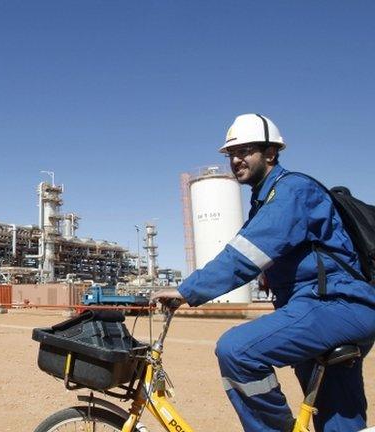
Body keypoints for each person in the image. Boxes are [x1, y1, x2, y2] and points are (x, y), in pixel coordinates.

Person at [151, 113, 375, 432]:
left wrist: (187, 291)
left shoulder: (293, 190)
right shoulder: (266, 200)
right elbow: (241, 251)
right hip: (325, 307)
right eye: (232, 153)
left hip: (337, 304)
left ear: (270, 153)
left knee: (237, 350)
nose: (236, 160)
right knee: (339, 419)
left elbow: (245, 256)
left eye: (245, 151)